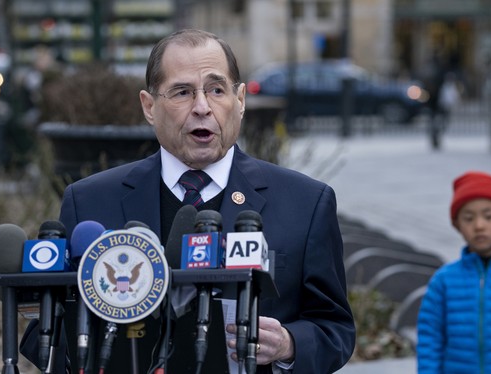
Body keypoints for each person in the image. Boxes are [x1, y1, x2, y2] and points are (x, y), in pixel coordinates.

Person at [57, 29, 355, 373]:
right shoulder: (89, 202)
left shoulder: (306, 203)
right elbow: (43, 331)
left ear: (239, 101)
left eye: (216, 90)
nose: (202, 108)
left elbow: (336, 330)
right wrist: (94, 347)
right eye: (182, 92)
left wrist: (288, 344)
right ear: (149, 107)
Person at [417, 171, 491, 373]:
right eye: (469, 218)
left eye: (489, 216)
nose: (479, 225)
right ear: (456, 224)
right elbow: (430, 338)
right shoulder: (444, 280)